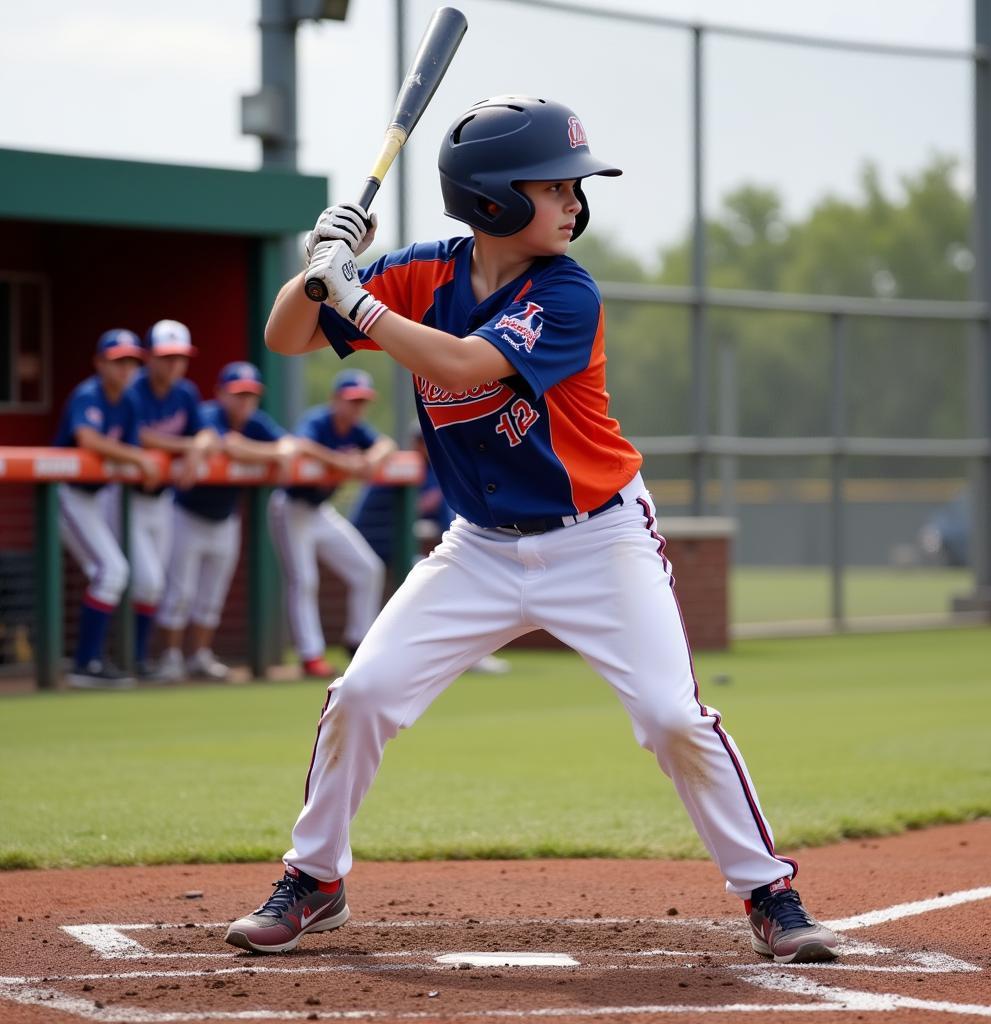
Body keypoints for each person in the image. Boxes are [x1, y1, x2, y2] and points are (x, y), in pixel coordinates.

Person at [225, 96, 839, 965]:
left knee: (671, 717)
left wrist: (355, 299)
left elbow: (462, 361)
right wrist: (318, 265)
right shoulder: (417, 274)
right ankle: (316, 882)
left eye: (574, 189)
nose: (574, 205)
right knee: (360, 696)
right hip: (478, 547)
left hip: (599, 539)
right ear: (491, 201)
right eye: (553, 188)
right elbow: (285, 334)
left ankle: (771, 893)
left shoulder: (565, 290)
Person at [153, 362, 294, 682]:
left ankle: (199, 656)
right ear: (221, 393)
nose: (244, 402)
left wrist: (273, 451)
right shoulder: (208, 413)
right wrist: (271, 454)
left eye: (250, 395)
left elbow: (289, 445)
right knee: (180, 593)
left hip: (225, 518)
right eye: (237, 394)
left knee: (211, 595)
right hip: (186, 514)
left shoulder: (256, 422)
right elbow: (227, 444)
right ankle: (170, 657)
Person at [349, 421, 509, 674]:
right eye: (423, 440)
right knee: (439, 582)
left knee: (450, 580)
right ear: (415, 443)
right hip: (372, 541)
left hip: (398, 546)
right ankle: (444, 654)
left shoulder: (438, 470)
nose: (429, 445)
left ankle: (459, 653)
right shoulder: (404, 464)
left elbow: (446, 520)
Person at [268, 368, 396, 680]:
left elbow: (386, 444)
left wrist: (371, 459)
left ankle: (357, 642)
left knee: (368, 569)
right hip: (292, 506)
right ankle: (310, 655)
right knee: (304, 579)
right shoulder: (319, 420)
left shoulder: (356, 430)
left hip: (320, 510)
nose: (357, 408)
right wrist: (343, 463)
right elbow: (301, 445)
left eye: (362, 402)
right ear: (336, 399)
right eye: (352, 401)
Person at [54, 329, 160, 688]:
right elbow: (88, 439)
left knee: (129, 577)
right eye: (118, 361)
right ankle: (85, 663)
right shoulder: (88, 394)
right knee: (111, 571)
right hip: (68, 494)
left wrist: (139, 462)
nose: (125, 369)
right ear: (100, 363)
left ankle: (108, 659)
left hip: (99, 497)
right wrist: (137, 459)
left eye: (131, 362)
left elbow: (129, 450)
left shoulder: (128, 401)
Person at [115, 320, 218, 677]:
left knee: (154, 583)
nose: (174, 365)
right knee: (133, 579)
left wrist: (198, 447)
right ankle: (120, 657)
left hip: (160, 500)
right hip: (121, 497)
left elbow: (207, 433)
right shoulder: (133, 389)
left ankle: (139, 658)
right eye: (166, 357)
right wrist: (189, 446)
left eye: (180, 357)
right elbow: (138, 436)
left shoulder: (185, 392)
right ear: (150, 358)